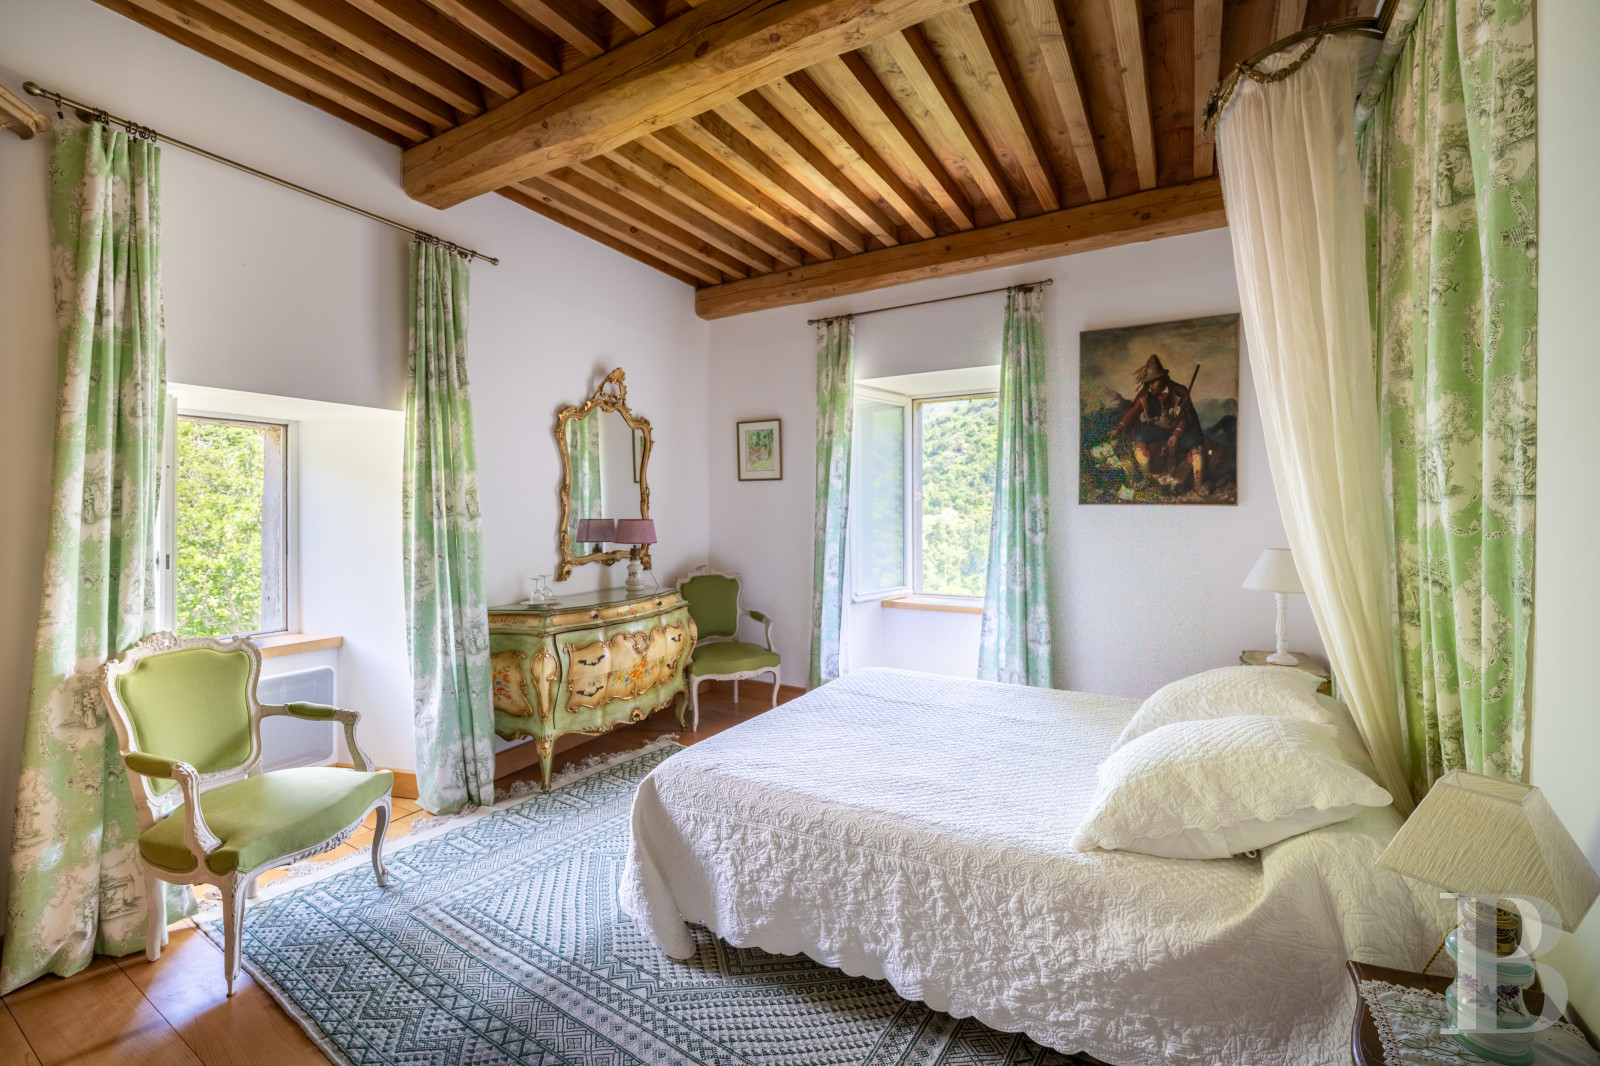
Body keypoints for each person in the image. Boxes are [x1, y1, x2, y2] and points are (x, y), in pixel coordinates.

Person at [1109, 354, 1208, 496]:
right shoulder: (1146, 395)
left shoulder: (1179, 392)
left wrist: (1176, 435)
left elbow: (1185, 417)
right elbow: (1132, 413)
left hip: (1182, 429)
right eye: (1148, 383)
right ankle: (1146, 479)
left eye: (1153, 382)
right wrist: (1118, 429)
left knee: (1193, 445)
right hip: (1160, 430)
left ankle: (1198, 485)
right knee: (1139, 439)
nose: (1150, 386)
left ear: (1162, 379)